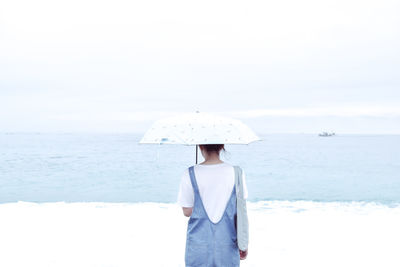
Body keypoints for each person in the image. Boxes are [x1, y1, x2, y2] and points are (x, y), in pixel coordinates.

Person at [177, 144, 249, 267]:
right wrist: (244, 243)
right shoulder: (237, 173)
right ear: (222, 147)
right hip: (227, 244)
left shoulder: (189, 173)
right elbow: (241, 211)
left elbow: (187, 211)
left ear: (200, 147)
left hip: (198, 246)